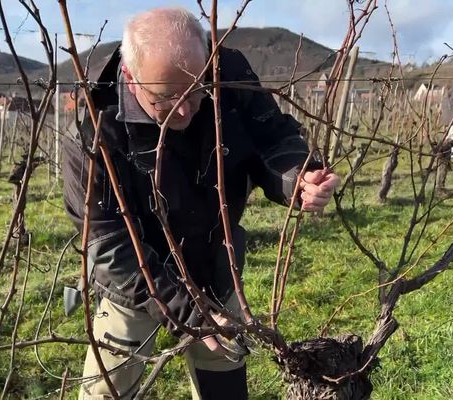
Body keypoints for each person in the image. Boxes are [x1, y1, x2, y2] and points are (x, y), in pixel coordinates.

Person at [62, 7, 340, 400]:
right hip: (134, 277)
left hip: (213, 263)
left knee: (223, 382)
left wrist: (298, 178)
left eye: (196, 91)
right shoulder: (94, 128)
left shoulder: (229, 77)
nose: (186, 108)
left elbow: (272, 139)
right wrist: (188, 311)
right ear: (130, 75)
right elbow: (107, 243)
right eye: (166, 97)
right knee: (107, 388)